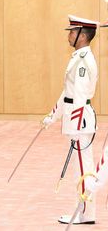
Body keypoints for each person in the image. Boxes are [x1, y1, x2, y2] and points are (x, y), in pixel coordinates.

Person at [42, 15, 99, 225]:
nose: (70, 35)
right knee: (81, 168)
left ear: (83, 36)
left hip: (80, 122)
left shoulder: (84, 61)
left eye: (73, 32)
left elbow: (81, 97)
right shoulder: (77, 57)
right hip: (77, 121)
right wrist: (53, 115)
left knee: (84, 170)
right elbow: (68, 93)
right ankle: (84, 211)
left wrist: (75, 126)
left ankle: (86, 214)